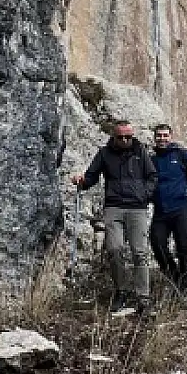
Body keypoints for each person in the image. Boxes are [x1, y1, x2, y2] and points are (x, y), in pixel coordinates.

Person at [71, 119, 157, 311]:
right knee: (114, 249)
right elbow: (91, 176)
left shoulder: (140, 151)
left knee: (140, 252)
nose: (125, 140)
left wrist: (144, 194)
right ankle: (122, 290)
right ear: (114, 137)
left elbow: (152, 177)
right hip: (114, 208)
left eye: (128, 136)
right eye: (121, 137)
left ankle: (143, 297)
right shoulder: (104, 153)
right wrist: (82, 181)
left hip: (137, 208)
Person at [148, 123, 187, 296]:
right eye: (159, 136)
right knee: (157, 243)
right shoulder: (151, 160)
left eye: (165, 135)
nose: (162, 139)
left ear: (171, 137)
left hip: (182, 207)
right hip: (161, 211)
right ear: (155, 138)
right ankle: (175, 279)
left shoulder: (181, 154)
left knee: (185, 247)